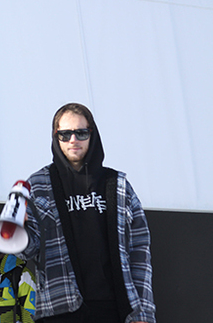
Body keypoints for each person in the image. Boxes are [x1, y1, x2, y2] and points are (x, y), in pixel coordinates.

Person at [18, 103, 156, 323]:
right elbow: (29, 250)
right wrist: (17, 231)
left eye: (81, 133)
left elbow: (139, 251)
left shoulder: (118, 185)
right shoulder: (38, 184)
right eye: (65, 134)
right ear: (56, 137)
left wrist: (143, 312)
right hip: (60, 309)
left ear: (92, 135)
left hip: (115, 309)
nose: (73, 140)